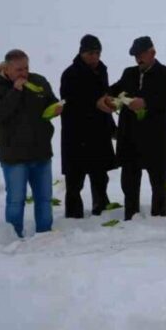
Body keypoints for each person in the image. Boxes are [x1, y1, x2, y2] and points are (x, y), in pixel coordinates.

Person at [0, 49, 62, 238]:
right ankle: (13, 235)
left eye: (26, 68)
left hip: (41, 151)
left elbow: (51, 102)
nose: (24, 73)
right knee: (16, 200)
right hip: (13, 156)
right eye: (19, 70)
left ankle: (45, 233)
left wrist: (56, 108)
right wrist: (16, 91)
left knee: (44, 198)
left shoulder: (39, 81)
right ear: (7, 69)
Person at [101, 36, 166, 220]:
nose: (138, 59)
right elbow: (115, 89)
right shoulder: (129, 73)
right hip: (130, 136)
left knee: (157, 179)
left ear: (152, 53)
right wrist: (109, 99)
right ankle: (131, 214)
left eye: (141, 55)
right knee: (129, 180)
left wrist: (145, 102)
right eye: (135, 56)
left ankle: (159, 215)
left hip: (155, 136)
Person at [59, 34, 118, 218]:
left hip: (99, 131)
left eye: (97, 53)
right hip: (76, 133)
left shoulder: (102, 70)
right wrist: (95, 103)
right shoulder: (70, 74)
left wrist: (112, 126)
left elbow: (105, 96)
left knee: (100, 175)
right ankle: (74, 214)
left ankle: (101, 206)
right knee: (75, 179)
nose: (94, 57)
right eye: (90, 53)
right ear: (82, 53)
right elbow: (69, 101)